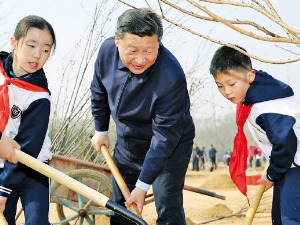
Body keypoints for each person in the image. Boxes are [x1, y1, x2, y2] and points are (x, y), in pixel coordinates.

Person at [90, 8, 195, 225]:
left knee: (168, 206)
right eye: (133, 50)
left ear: (159, 43)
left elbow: (164, 138)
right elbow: (99, 90)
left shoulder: (171, 77)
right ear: (117, 39)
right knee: (120, 210)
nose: (140, 59)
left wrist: (142, 186)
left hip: (168, 149)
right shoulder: (107, 52)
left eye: (149, 50)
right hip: (127, 144)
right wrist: (101, 130)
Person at [210, 44, 300, 225]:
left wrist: (272, 175)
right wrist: (273, 172)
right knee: (280, 218)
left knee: (289, 218)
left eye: (231, 84)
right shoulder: (256, 95)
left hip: (296, 167)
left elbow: (285, 144)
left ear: (250, 76)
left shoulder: (268, 106)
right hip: (288, 166)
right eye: (220, 86)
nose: (226, 92)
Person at [0, 15, 56, 224]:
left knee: (37, 221)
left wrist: (3, 189)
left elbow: (29, 147)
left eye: (45, 50)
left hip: (33, 166)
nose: (37, 55)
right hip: (1, 164)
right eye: (31, 45)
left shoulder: (39, 96)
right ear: (14, 43)